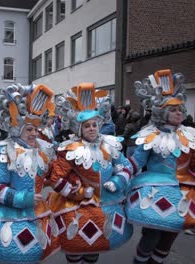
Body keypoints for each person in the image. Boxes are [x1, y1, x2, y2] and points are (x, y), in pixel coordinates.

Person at [0, 84, 60, 263]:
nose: (33, 133)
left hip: (35, 210)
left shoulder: (43, 150)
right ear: (17, 130)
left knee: (31, 253)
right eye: (28, 129)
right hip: (8, 212)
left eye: (36, 130)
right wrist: (22, 198)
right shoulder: (4, 152)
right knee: (5, 255)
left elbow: (47, 176)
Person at [126, 69, 195, 264]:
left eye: (180, 109)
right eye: (173, 109)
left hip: (183, 191)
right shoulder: (150, 134)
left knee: (170, 237)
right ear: (162, 112)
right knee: (152, 236)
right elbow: (138, 160)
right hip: (156, 190)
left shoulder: (191, 135)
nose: (178, 112)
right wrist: (121, 172)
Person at [46, 83, 133, 264]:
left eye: (94, 124)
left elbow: (126, 166)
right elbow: (56, 178)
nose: (92, 128)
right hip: (78, 207)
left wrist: (118, 181)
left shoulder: (110, 144)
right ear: (79, 129)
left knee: (96, 248)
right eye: (87, 126)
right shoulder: (70, 149)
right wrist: (77, 193)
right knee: (76, 248)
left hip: (107, 203)